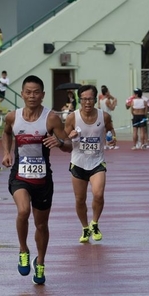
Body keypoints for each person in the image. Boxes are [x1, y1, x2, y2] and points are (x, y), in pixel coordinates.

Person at [1, 75, 72, 285]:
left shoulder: (51, 119)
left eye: (36, 92)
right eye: (28, 92)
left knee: (41, 225)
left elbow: (68, 145)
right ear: (22, 94)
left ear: (42, 95)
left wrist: (59, 142)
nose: (32, 96)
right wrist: (7, 152)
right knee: (23, 211)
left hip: (42, 179)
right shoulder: (12, 117)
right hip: (20, 175)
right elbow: (6, 134)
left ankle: (40, 263)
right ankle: (23, 249)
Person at [64, 85, 116, 243]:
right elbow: (64, 140)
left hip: (97, 161)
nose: (87, 102)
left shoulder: (104, 116)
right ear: (80, 100)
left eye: (90, 99)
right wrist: (70, 136)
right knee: (80, 200)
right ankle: (85, 227)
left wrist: (112, 138)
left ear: (95, 99)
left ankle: (94, 223)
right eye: (84, 99)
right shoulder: (72, 117)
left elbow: (111, 131)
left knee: (98, 195)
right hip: (78, 163)